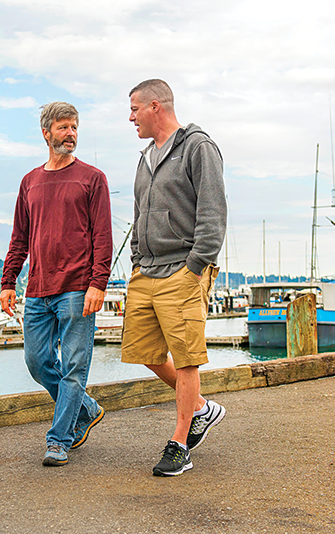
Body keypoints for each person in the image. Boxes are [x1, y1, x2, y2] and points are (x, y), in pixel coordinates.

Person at [123, 79, 228, 477]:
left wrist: (196, 265)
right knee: (145, 353)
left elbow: (213, 212)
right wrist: (136, 260)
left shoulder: (198, 148)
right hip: (146, 271)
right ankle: (202, 408)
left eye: (134, 109)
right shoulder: (146, 157)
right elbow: (137, 215)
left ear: (156, 107)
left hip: (183, 269)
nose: (130, 117)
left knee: (186, 360)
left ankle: (180, 442)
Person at [1, 102, 113, 467]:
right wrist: (8, 282)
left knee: (74, 368)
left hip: (78, 287)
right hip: (37, 289)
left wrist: (98, 283)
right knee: (37, 362)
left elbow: (103, 237)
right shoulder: (29, 181)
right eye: (64, 127)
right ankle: (87, 408)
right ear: (46, 133)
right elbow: (20, 237)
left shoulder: (92, 178)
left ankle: (59, 439)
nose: (71, 134)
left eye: (75, 127)